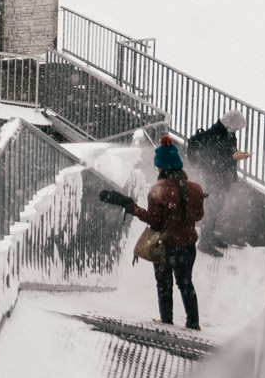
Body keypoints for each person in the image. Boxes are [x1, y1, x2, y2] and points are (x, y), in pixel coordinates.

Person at [107, 137, 205, 329]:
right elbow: (199, 216)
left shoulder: (157, 191)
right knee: (186, 284)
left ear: (161, 168)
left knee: (164, 285)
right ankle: (193, 322)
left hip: (167, 247)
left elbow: (155, 222)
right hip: (188, 246)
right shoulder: (196, 189)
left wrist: (134, 209)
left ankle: (166, 320)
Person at [188, 109, 251, 254]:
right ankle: (204, 242)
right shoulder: (215, 134)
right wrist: (234, 157)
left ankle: (210, 237)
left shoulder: (227, 133)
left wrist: (236, 156)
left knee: (216, 209)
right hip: (214, 179)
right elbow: (214, 160)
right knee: (212, 209)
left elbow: (226, 154)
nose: (237, 130)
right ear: (230, 123)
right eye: (237, 127)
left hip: (222, 178)